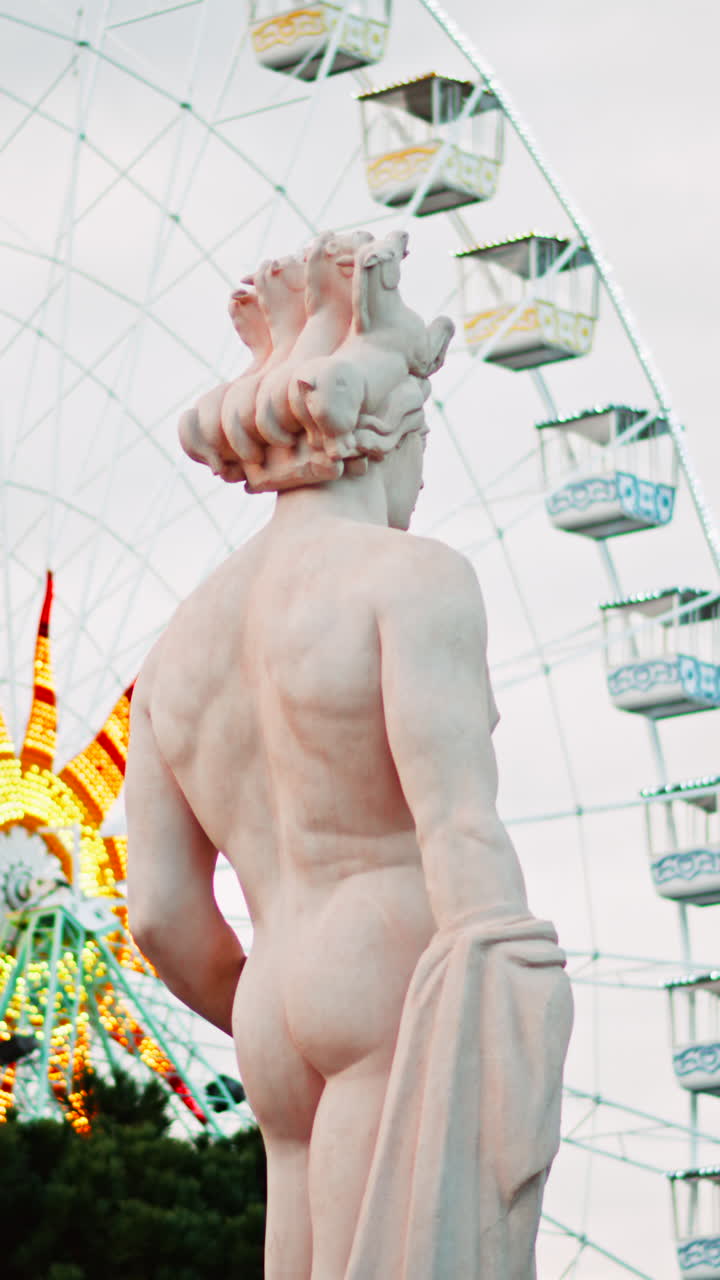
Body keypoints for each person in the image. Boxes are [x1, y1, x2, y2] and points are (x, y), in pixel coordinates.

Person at [126, 231, 573, 1279]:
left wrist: (267, 986)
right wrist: (517, 1003)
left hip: (271, 996)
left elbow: (159, 910)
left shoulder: (179, 648)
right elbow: (458, 823)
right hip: (388, 972)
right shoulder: (409, 579)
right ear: (392, 434)